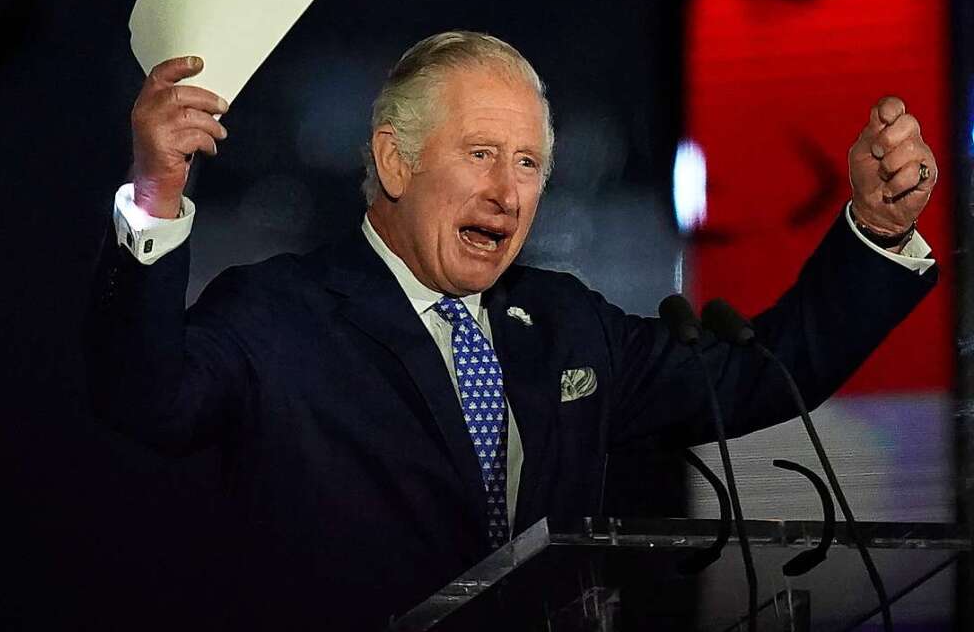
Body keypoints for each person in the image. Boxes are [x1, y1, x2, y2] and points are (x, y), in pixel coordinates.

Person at [85, 32, 938, 629]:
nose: (509, 191)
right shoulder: (281, 316)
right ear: (395, 161)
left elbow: (765, 371)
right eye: (482, 153)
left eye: (529, 163)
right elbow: (145, 398)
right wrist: (155, 198)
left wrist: (876, 228)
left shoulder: (563, 325)